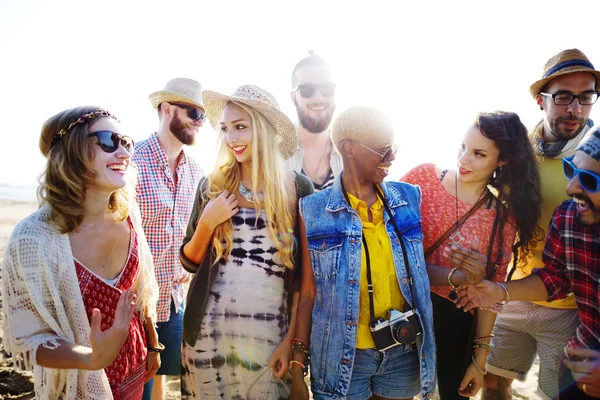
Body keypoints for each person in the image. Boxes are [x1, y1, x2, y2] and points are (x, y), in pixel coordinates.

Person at [1, 106, 159, 399]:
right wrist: (91, 358)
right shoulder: (32, 238)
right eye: (109, 140)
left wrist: (153, 343)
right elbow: (29, 339)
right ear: (72, 150)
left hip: (136, 370)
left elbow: (140, 291)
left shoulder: (128, 215)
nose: (124, 154)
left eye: (126, 143)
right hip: (79, 387)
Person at [179, 84, 314, 399]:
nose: (231, 138)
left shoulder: (298, 189)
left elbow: (304, 285)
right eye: (226, 128)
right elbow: (189, 262)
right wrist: (208, 222)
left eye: (240, 127)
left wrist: (295, 354)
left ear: (265, 130)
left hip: (270, 345)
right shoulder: (211, 186)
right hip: (206, 344)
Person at [291, 106, 436, 400]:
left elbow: (418, 270)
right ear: (349, 149)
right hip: (341, 357)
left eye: (394, 148)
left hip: (402, 349)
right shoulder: (314, 210)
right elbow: (308, 294)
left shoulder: (409, 198)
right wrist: (297, 367)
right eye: (384, 149)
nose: (392, 157)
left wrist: (458, 276)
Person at [482, 49, 600, 400]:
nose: (575, 108)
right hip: (515, 292)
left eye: (587, 97)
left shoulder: (591, 160)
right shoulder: (515, 154)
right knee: (494, 382)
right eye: (564, 96)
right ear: (541, 100)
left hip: (571, 308)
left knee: (556, 392)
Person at [401, 111, 543, 399]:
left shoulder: (502, 217)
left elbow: (489, 299)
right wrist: (458, 275)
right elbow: (389, 247)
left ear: (502, 160)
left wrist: (479, 362)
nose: (464, 159)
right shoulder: (421, 179)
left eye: (478, 154)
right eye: (463, 147)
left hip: (456, 321)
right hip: (403, 306)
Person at [455, 128, 600, 399]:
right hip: (579, 364)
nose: (571, 188)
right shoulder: (569, 217)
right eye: (572, 170)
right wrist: (501, 291)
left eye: (590, 181)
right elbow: (556, 278)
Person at [134, 78, 205, 400]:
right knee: (139, 388)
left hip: (175, 299)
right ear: (166, 110)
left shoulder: (196, 171)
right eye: (192, 112)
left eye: (202, 116)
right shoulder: (131, 162)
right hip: (135, 307)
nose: (198, 121)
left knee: (166, 375)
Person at [286, 52, 342, 191]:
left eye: (327, 88)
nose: (318, 98)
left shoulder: (352, 153)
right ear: (293, 98)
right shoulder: (272, 154)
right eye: (307, 90)